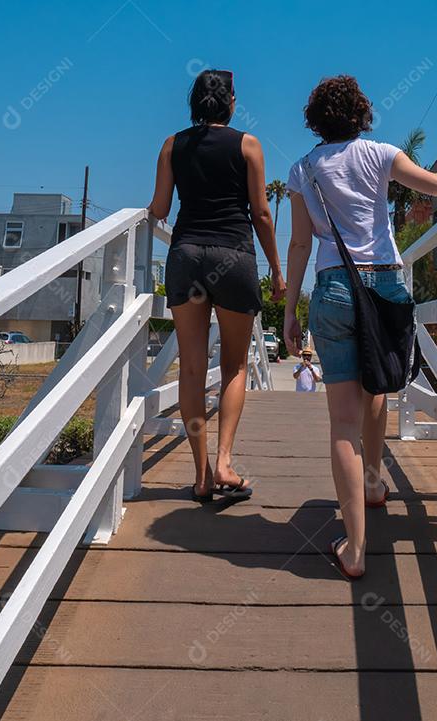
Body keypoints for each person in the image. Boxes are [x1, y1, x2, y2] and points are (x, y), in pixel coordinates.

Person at [282, 75, 437, 578]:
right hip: (386, 286)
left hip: (332, 287)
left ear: (315, 120)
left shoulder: (303, 170)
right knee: (380, 388)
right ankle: (373, 483)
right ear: (361, 114)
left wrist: (289, 310)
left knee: (343, 421)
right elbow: (431, 184)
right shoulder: (379, 154)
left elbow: (301, 245)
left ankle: (354, 547)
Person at [148, 69, 286, 503]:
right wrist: (279, 272)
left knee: (190, 369)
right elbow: (262, 214)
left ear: (193, 103)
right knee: (234, 367)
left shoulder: (173, 145)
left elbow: (160, 207)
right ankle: (226, 460)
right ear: (231, 102)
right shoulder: (248, 145)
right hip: (234, 257)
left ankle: (202, 475)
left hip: (186, 255)